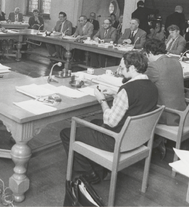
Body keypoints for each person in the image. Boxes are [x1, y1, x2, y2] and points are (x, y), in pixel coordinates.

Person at [60, 51, 158, 183]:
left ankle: (88, 174)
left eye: (122, 68)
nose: (120, 72)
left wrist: (102, 100)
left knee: (66, 133)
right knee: (95, 121)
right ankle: (100, 168)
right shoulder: (152, 87)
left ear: (133, 68)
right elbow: (136, 103)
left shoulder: (127, 89)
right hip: (139, 138)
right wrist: (116, 94)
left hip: (117, 140)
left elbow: (110, 122)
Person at [144, 39, 186, 124]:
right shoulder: (176, 62)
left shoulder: (154, 66)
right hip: (182, 110)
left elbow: (141, 83)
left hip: (166, 113)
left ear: (150, 53)